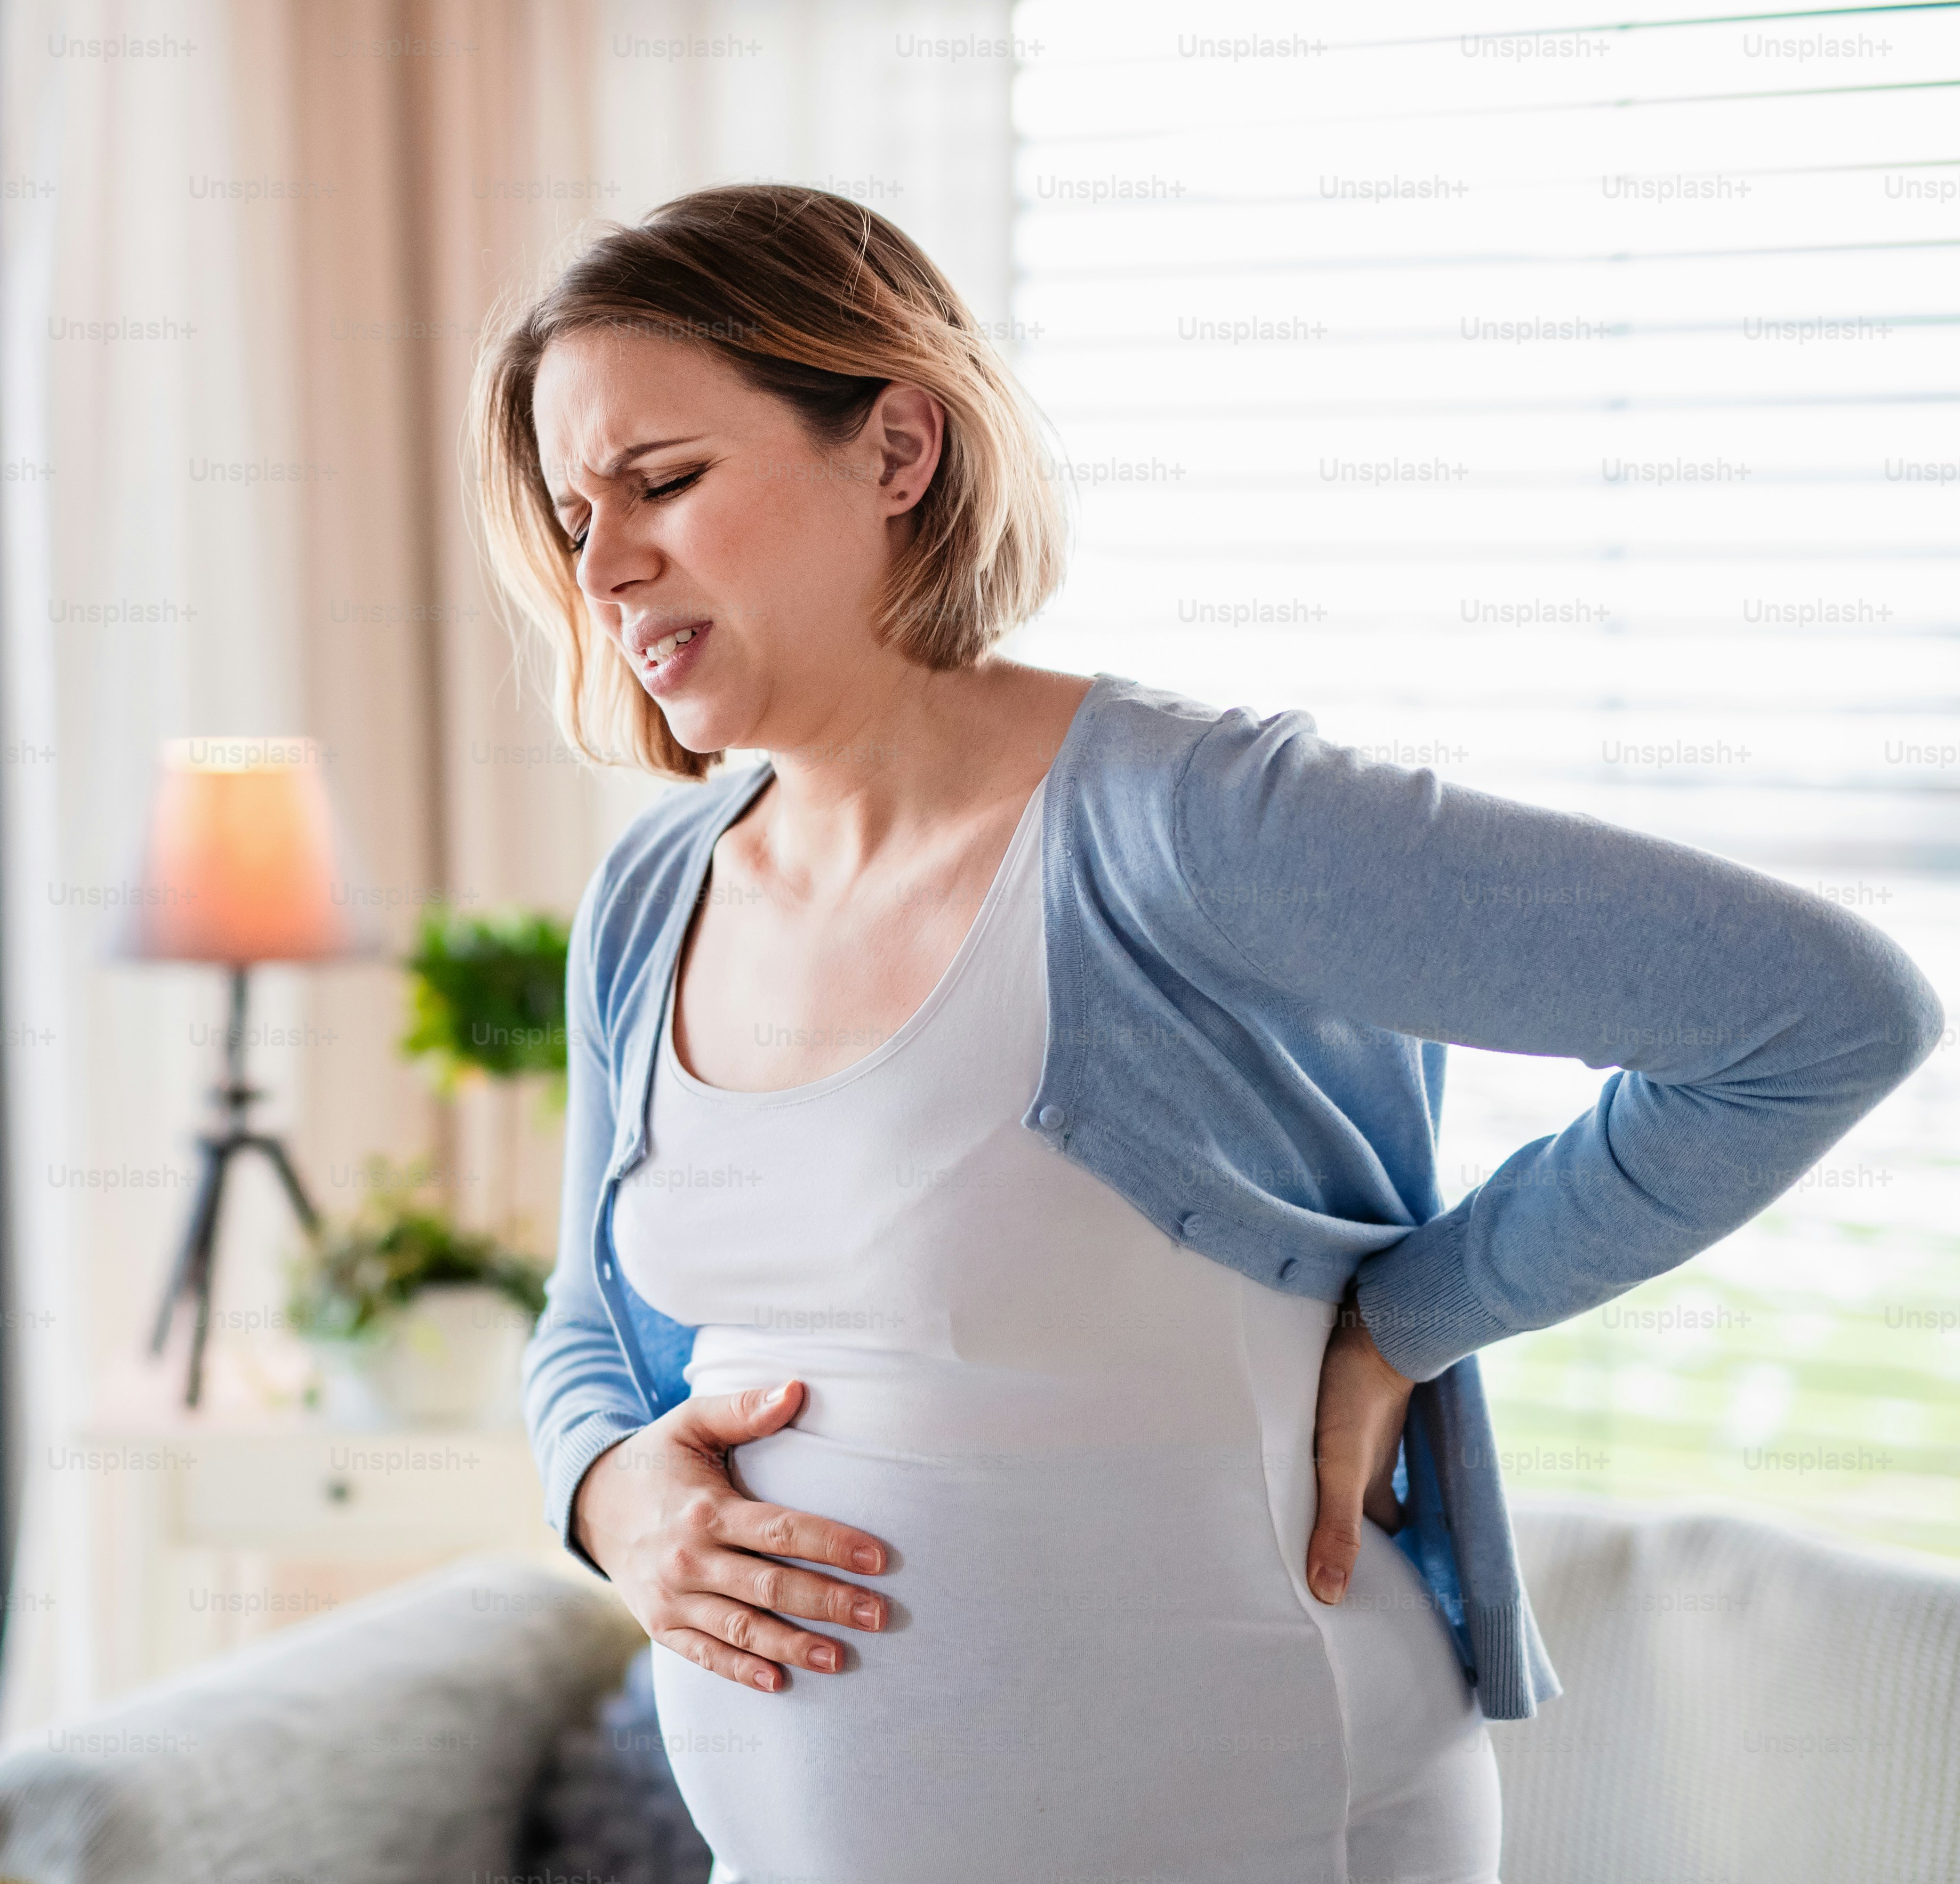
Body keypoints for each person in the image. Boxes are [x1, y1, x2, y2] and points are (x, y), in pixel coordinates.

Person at [471, 185, 1940, 1884]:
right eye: (574, 515)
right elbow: (587, 1318)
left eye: (664, 482)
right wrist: (609, 1494)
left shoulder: (1187, 826)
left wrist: (1414, 1314)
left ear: (897, 451)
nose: (603, 565)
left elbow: (1821, 1017)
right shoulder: (655, 893)